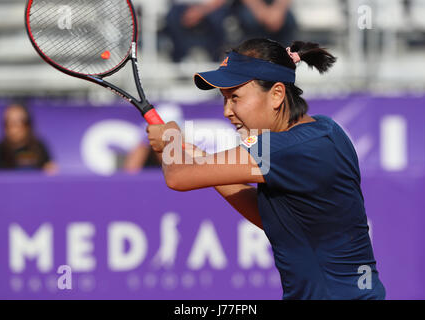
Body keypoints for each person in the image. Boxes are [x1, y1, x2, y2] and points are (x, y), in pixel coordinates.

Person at [146, 38, 386, 299]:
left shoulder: (282, 150)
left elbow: (177, 176)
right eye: (224, 99)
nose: (227, 111)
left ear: (277, 94)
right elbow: (274, 219)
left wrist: (168, 142)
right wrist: (195, 154)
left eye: (235, 97)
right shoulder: (326, 130)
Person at [0, 103, 57, 173]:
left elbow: (51, 171)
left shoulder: (39, 147)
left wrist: (50, 169)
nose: (13, 129)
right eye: (8, 123)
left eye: (18, 122)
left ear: (27, 125)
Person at [233, 0, 298, 46]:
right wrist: (261, 12)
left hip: (276, 6)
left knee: (289, 21)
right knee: (250, 20)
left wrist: (278, 11)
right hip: (251, 6)